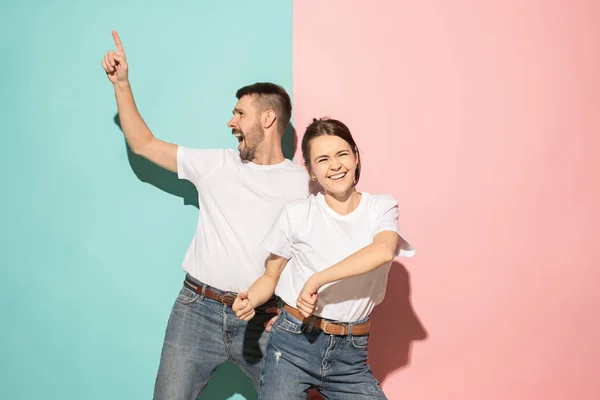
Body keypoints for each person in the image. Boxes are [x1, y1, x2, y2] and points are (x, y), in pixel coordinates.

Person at [100, 30, 309, 399]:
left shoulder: (303, 185)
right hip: (196, 313)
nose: (231, 122)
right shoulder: (216, 164)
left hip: (264, 321)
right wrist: (121, 84)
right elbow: (144, 144)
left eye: (240, 113)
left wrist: (292, 312)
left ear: (268, 118)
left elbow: (314, 256)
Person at [233, 117, 416, 399]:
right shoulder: (296, 214)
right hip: (293, 344)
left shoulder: (380, 207)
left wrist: (317, 279)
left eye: (342, 154)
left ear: (355, 157)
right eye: (323, 159)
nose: (335, 165)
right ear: (311, 170)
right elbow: (271, 275)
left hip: (350, 355)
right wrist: (251, 300)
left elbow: (383, 250)